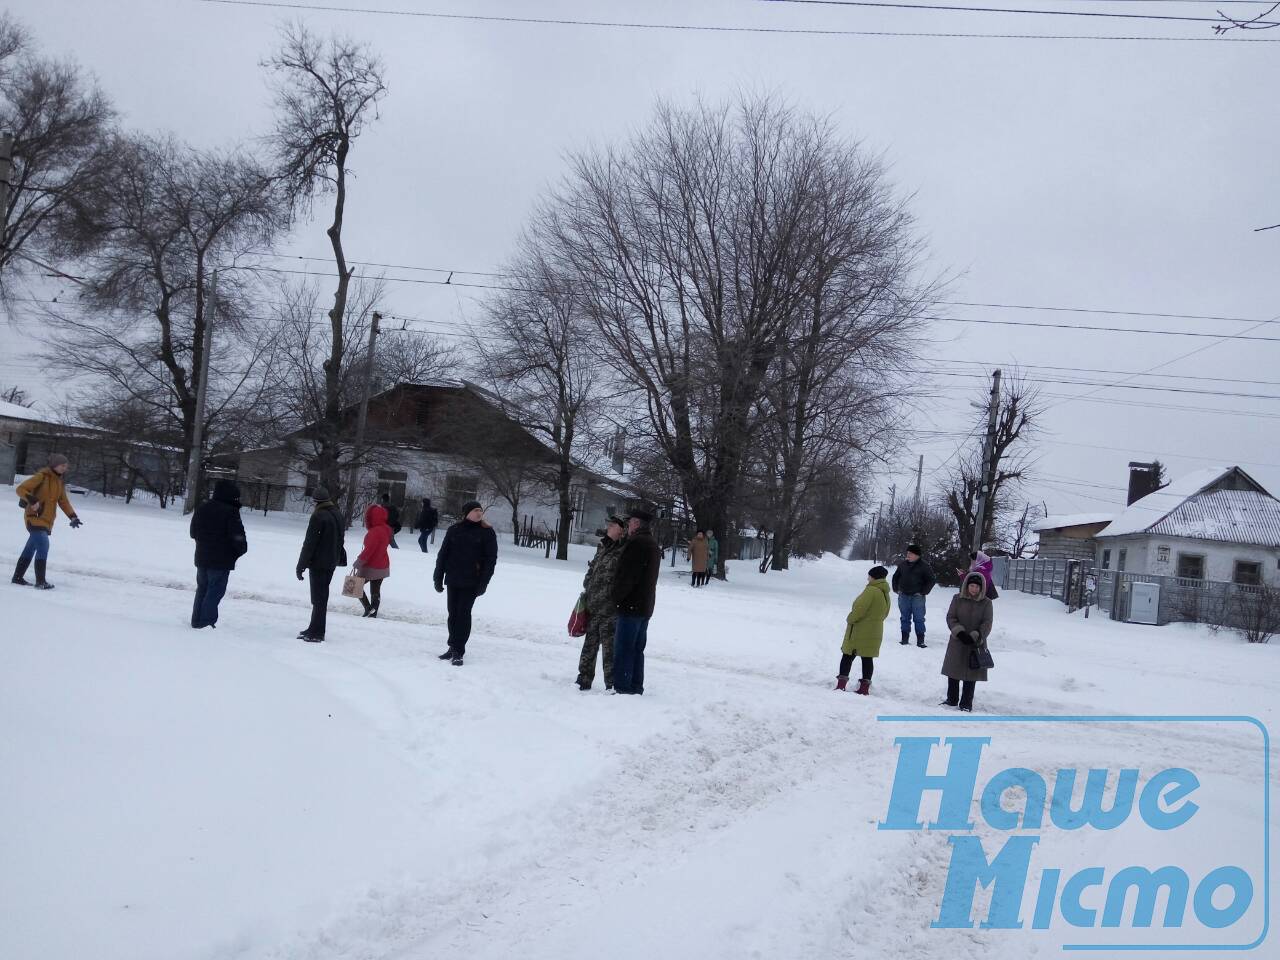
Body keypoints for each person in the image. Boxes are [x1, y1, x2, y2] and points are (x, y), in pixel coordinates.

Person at [433, 499, 498, 665]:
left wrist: (484, 582)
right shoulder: (455, 530)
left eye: (480, 510)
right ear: (467, 513)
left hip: (472, 582)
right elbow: (443, 555)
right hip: (453, 579)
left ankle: (458, 651)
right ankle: (452, 646)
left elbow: (491, 560)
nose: (479, 513)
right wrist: (438, 577)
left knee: (463, 614)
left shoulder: (487, 532)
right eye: (475, 510)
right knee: (452, 614)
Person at [12, 453, 82, 590]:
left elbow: (63, 502)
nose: (64, 468)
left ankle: (17, 577)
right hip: (34, 518)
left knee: (30, 548)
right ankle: (40, 581)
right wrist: (32, 500)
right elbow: (21, 489)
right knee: (43, 545)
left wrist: (73, 516)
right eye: (62, 465)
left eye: (66, 466)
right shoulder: (41, 477)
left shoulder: (59, 482)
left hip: (47, 520)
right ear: (55, 465)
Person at [611, 507, 661, 695]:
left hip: (631, 606)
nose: (628, 526)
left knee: (624, 649)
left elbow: (627, 577)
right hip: (645, 606)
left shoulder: (636, 544)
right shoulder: (652, 544)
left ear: (637, 524)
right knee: (638, 649)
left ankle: (623, 688)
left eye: (630, 522)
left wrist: (615, 598)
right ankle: (635, 685)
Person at [189, 478, 248, 628]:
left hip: (202, 557)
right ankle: (206, 623)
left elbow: (193, 532)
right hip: (221, 560)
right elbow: (238, 537)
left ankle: (196, 621)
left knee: (202, 589)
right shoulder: (231, 512)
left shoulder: (202, 508)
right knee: (214, 591)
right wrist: (239, 551)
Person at [577, 515, 626, 691]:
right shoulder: (603, 546)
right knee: (589, 644)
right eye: (609, 525)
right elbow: (593, 568)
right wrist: (587, 583)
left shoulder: (623, 550)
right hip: (593, 604)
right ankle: (583, 678)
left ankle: (611, 683)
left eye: (612, 525)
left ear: (621, 531)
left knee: (609, 648)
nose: (609, 527)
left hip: (610, 608)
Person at [295, 487, 346, 642]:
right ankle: (314, 628)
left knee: (318, 598)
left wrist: (301, 565)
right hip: (331, 561)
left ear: (316, 501)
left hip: (319, 563)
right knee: (321, 597)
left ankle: (317, 633)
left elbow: (309, 543)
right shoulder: (337, 514)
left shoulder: (319, 516)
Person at [942, 572, 994, 712]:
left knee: (971, 675)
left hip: (976, 643)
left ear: (982, 588)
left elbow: (987, 623)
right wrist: (959, 632)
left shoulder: (987, 603)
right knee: (953, 671)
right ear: (966, 585)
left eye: (977, 587)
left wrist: (976, 635)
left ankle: (966, 703)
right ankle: (951, 699)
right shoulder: (957, 599)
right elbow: (951, 617)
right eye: (971, 586)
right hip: (957, 640)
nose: (974, 589)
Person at [837, 565, 891, 695]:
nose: (868, 578)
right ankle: (864, 688)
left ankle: (841, 685)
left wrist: (850, 619)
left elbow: (860, 609)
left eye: (869, 576)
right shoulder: (885, 593)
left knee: (847, 655)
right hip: (875, 630)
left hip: (859, 630)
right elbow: (885, 613)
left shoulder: (871, 590)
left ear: (874, 577)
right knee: (867, 658)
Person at [891, 543, 936, 648]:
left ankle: (920, 641)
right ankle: (904, 639)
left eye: (910, 553)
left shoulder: (924, 566)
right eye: (907, 553)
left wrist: (923, 592)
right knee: (904, 618)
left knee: (919, 619)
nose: (908, 555)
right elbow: (895, 577)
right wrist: (896, 589)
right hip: (903, 596)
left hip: (917, 597)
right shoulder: (903, 565)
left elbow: (931, 580)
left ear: (917, 555)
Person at [354, 502, 392, 618]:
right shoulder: (386, 529)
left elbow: (369, 550)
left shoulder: (375, 532)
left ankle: (368, 608)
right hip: (382, 564)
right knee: (375, 591)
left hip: (370, 565)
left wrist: (359, 562)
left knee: (356, 586)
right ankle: (373, 612)